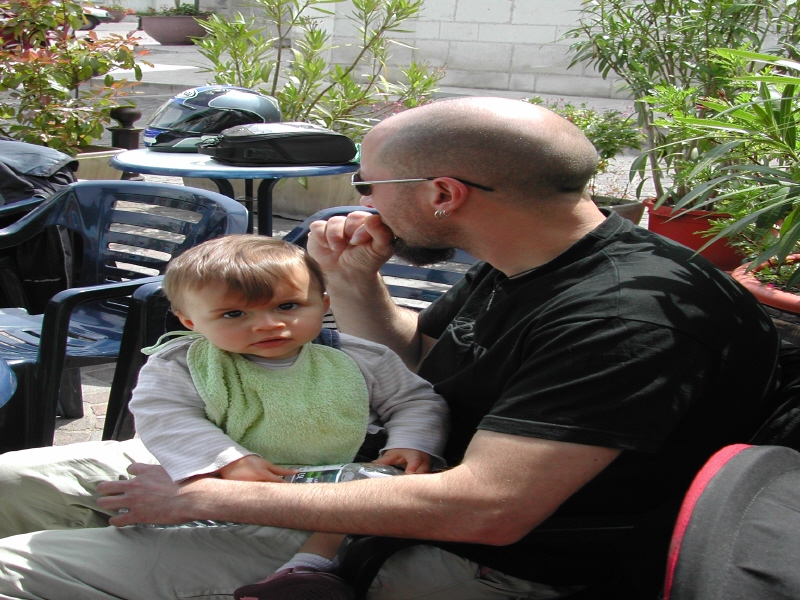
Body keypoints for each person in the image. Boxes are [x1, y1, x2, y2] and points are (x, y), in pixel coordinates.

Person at [0, 96, 781, 600]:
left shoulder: (623, 317)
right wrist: (352, 281)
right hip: (353, 471)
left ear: (442, 194)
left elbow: (491, 510)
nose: (362, 202)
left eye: (369, 185)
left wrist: (204, 497)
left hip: (479, 559)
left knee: (16, 569)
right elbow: (421, 365)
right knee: (8, 486)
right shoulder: (528, 258)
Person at [129, 234, 448, 598]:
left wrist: (411, 442)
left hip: (338, 483)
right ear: (190, 321)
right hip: (234, 484)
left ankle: (305, 571)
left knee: (371, 496)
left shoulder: (361, 357)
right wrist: (229, 459)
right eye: (234, 314)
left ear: (323, 303)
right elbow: (165, 416)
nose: (268, 324)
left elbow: (414, 400)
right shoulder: (184, 365)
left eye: (287, 306)